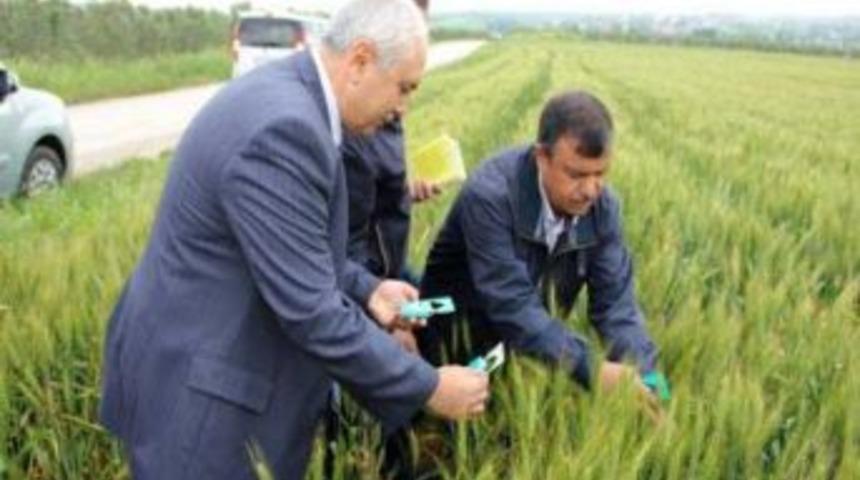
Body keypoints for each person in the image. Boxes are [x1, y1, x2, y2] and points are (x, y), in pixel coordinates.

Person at [99, 1, 489, 478]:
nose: (401, 109)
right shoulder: (286, 131)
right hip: (206, 409)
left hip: (201, 370)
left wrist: (368, 289)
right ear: (361, 60)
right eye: (404, 88)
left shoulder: (293, 100)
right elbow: (311, 311)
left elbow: (296, 245)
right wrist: (428, 386)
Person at [419, 91, 660, 394]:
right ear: (541, 157)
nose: (590, 190)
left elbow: (617, 309)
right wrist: (593, 370)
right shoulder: (490, 197)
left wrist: (652, 383)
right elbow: (512, 305)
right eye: (576, 174)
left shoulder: (603, 208)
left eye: (601, 173)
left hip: (525, 354)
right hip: (452, 349)